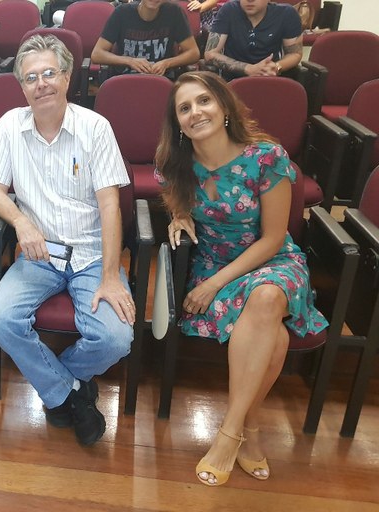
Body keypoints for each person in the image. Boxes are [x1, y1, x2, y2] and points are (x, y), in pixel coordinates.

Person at [154, 71, 327, 486]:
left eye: (204, 101)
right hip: (212, 260)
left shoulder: (266, 157)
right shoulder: (176, 165)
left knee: (267, 298)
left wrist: (214, 285)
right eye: (185, 108)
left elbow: (272, 239)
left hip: (269, 261)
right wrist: (179, 216)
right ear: (177, 123)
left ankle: (228, 434)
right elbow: (178, 206)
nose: (196, 112)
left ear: (224, 107)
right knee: (276, 336)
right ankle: (251, 431)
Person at [0, 35, 134, 446]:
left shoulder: (95, 127)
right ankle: (74, 394)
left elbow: (110, 206)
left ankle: (62, 387)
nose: (41, 83)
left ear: (67, 78)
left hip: (90, 254)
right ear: (22, 86)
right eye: (31, 78)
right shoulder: (11, 125)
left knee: (116, 338)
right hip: (39, 254)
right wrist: (21, 223)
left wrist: (111, 276)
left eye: (49, 73)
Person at [91, 0, 199, 80]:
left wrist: (167, 63)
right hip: (125, 79)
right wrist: (130, 61)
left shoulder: (174, 12)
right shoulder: (122, 13)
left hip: (161, 79)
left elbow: (194, 53)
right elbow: (97, 54)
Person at [204, 0, 303, 80]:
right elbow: (210, 54)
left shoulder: (286, 13)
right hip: (233, 81)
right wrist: (249, 69)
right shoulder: (229, 10)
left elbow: (295, 53)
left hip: (271, 77)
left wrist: (276, 67)